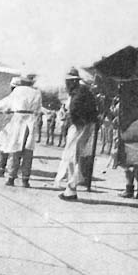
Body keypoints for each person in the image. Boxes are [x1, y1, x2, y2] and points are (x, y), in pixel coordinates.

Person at [0, 75, 42, 187]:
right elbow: (38, 109)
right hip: (30, 121)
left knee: (14, 149)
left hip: (18, 120)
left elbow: (3, 104)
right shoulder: (37, 93)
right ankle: (25, 180)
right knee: (28, 152)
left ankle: (11, 178)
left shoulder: (17, 91)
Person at [56, 68, 98, 201]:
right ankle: (71, 188)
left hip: (80, 127)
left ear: (73, 81)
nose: (66, 84)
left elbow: (75, 111)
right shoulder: (78, 93)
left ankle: (73, 185)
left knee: (74, 155)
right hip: (80, 126)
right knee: (71, 156)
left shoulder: (79, 94)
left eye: (68, 81)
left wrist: (70, 118)